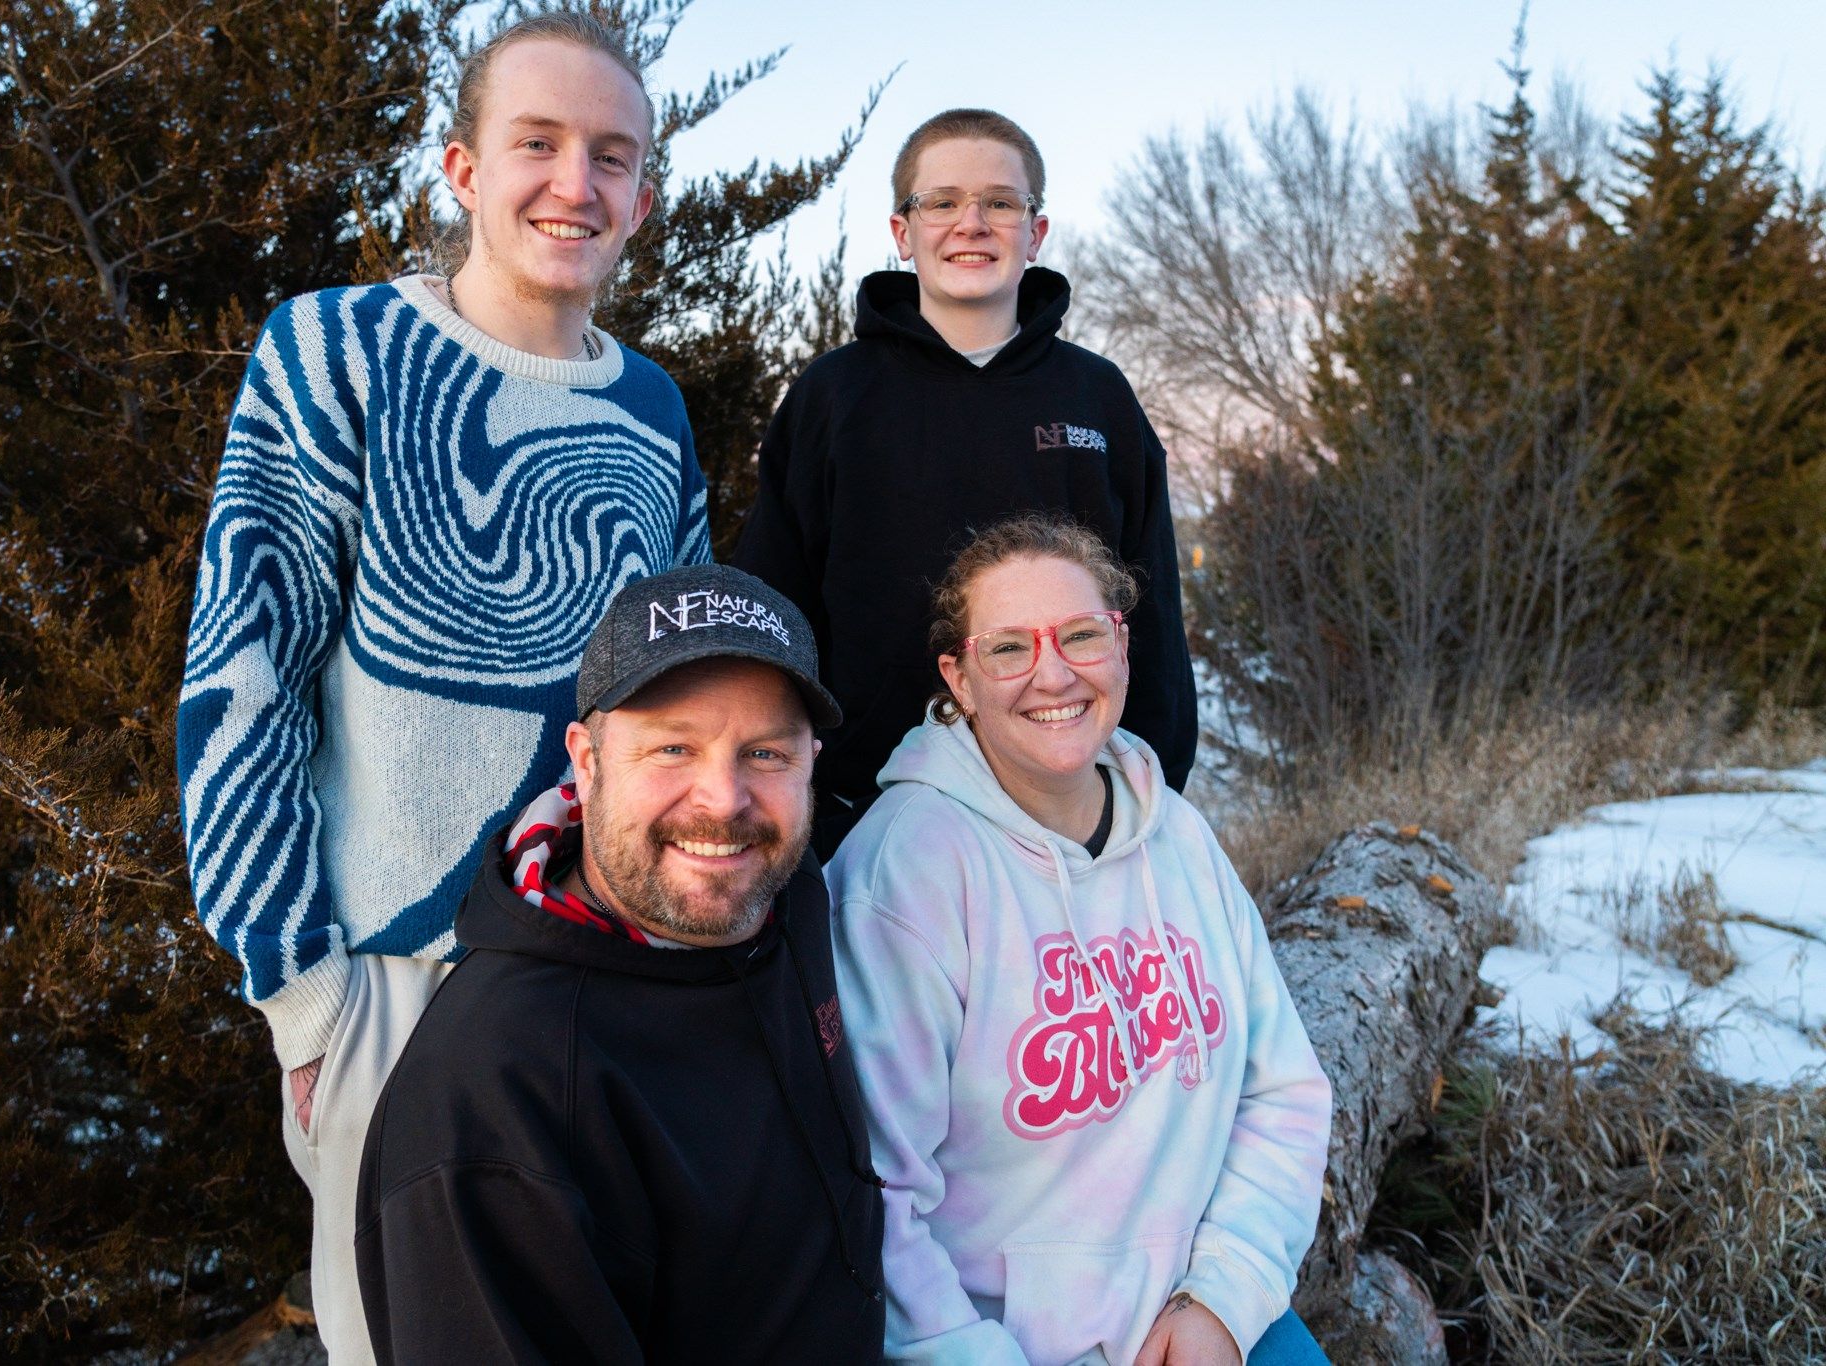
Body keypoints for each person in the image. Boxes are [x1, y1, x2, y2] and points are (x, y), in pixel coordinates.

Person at [174, 15, 707, 1361]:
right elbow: (244, 682)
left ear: (644, 193)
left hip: (610, 981)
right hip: (396, 992)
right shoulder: (331, 354)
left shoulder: (654, 412)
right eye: (537, 143)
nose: (574, 183)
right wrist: (305, 998)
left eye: (612, 154)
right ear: (464, 168)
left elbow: (684, 711)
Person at [828, 515, 1332, 1366]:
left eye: (1081, 635)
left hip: (1206, 1309)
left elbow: (1282, 1090)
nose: (1052, 674)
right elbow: (877, 1195)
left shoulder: (1177, 834)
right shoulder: (902, 875)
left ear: (1123, 646)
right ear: (958, 675)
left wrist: (1224, 1294)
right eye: (1008, 648)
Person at [355, 564, 887, 1363]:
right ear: (587, 758)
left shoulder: (781, 891)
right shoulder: (493, 1099)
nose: (724, 800)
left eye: (766, 753)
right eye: (673, 747)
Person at [733, 108, 1196, 858]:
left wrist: (1155, 781)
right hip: (866, 808)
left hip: (1071, 809)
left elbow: (1152, 609)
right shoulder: (833, 397)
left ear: (1035, 232)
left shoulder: (1097, 397)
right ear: (902, 232)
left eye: (1001, 203)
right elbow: (774, 607)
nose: (971, 223)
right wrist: (785, 784)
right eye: (942, 202)